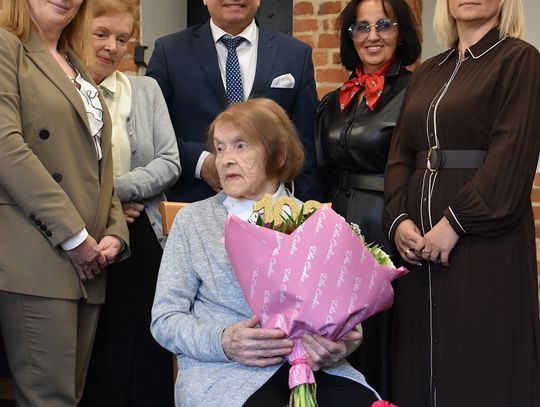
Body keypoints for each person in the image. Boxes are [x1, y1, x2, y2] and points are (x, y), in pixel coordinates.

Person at [151, 98, 378, 407]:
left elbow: (350, 324)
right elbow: (165, 319)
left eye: (240, 146)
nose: (225, 160)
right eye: (220, 148)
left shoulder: (315, 220)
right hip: (228, 373)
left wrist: (338, 347)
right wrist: (223, 340)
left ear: (278, 155)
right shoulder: (194, 222)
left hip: (314, 369)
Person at [383, 0, 540, 405]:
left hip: (484, 242)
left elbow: (511, 158)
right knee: (419, 362)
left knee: (480, 359)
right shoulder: (428, 71)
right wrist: (399, 219)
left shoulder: (519, 60)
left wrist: (455, 223)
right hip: (417, 247)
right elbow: (400, 154)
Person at [0, 0, 129, 406]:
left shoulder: (73, 62)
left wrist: (115, 231)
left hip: (89, 259)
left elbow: (97, 163)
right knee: (49, 400)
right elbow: (6, 149)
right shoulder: (6, 45)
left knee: (70, 397)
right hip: (38, 253)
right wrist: (74, 236)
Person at [315, 0, 421, 399]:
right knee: (339, 331)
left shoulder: (417, 92)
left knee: (384, 334)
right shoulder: (335, 100)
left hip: (388, 222)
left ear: (401, 32)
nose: (372, 36)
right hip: (337, 225)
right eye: (361, 27)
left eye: (384, 25)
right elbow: (319, 170)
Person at [79, 1, 181, 406]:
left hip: (142, 230)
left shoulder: (145, 89)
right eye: (101, 34)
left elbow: (169, 162)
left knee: (142, 347)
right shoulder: (57, 91)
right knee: (97, 350)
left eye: (122, 39)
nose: (112, 47)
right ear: (77, 30)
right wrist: (109, 207)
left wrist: (119, 192)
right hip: (83, 234)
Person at [146, 0, 321, 203]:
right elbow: (151, 130)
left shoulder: (295, 54)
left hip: (272, 210)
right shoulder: (169, 51)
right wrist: (201, 163)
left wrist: (309, 212)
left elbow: (304, 144)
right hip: (192, 203)